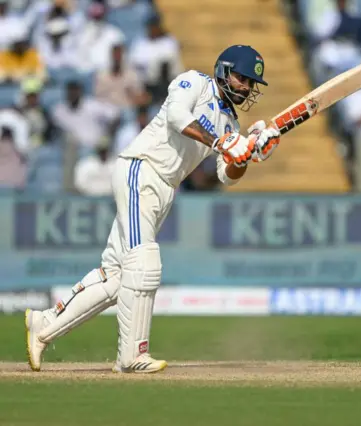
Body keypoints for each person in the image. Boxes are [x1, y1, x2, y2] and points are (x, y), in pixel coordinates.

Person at [25, 45, 281, 373]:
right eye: (241, 77)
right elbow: (177, 117)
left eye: (250, 83)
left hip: (163, 190)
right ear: (223, 69)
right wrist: (221, 143)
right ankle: (131, 356)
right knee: (144, 263)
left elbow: (226, 177)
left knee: (118, 276)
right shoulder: (195, 83)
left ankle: (43, 325)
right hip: (140, 169)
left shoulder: (230, 122)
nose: (246, 87)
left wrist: (246, 155)